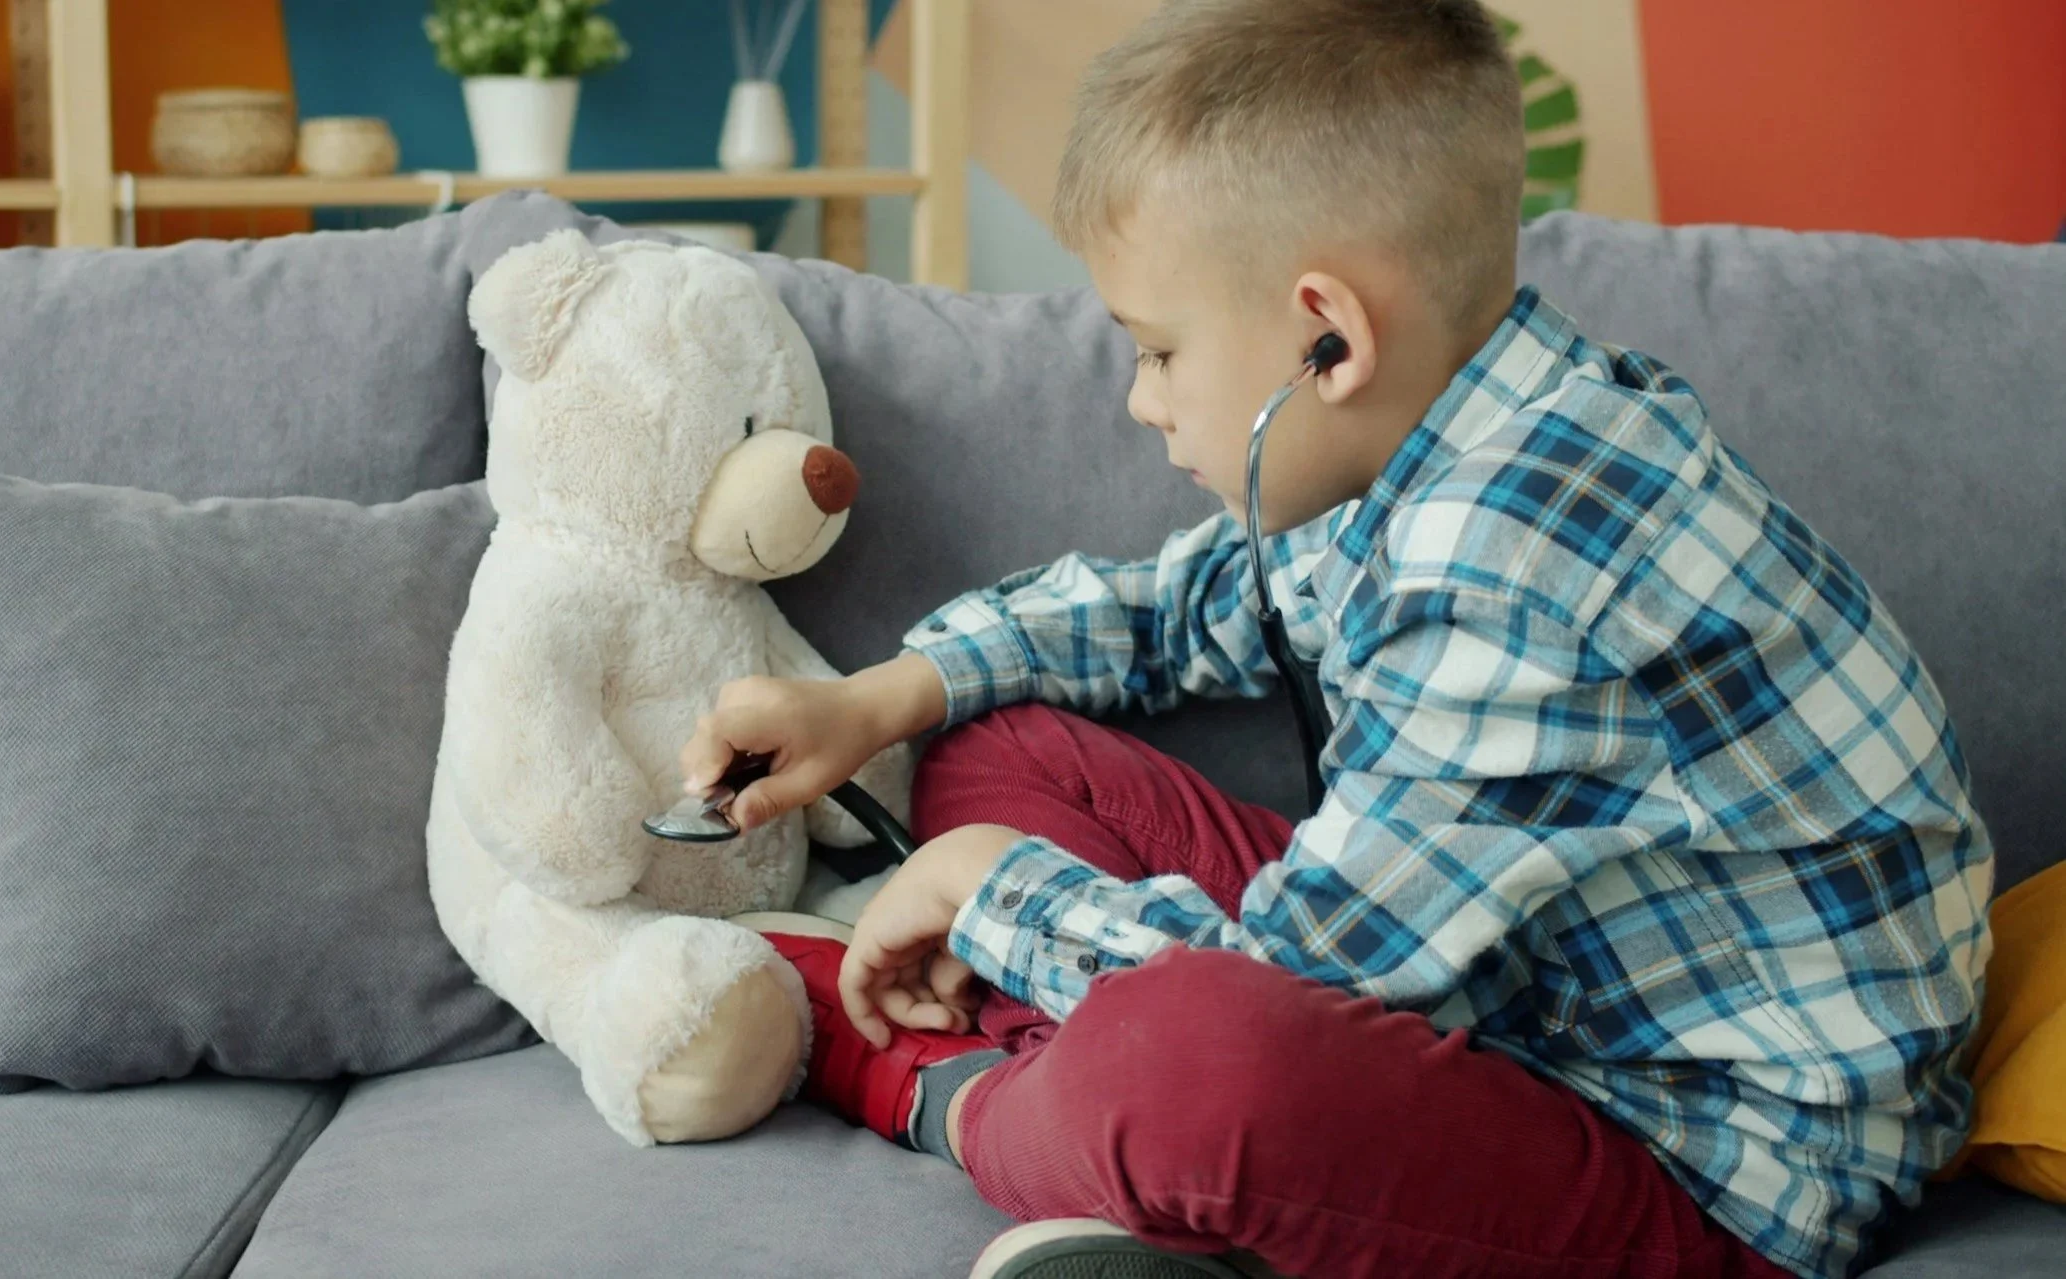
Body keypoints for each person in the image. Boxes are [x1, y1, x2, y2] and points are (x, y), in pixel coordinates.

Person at [684, 2, 1993, 1277]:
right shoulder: (1462, 436)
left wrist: (989, 888)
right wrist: (876, 698)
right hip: (1516, 988)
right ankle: (1136, 1141)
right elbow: (1166, 613)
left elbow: (1302, 973)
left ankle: (951, 1087)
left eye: (1155, 350)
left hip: (1709, 1176)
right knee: (1004, 742)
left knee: (1188, 1073)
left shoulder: (1513, 561)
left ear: (1329, 337)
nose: (1140, 402)